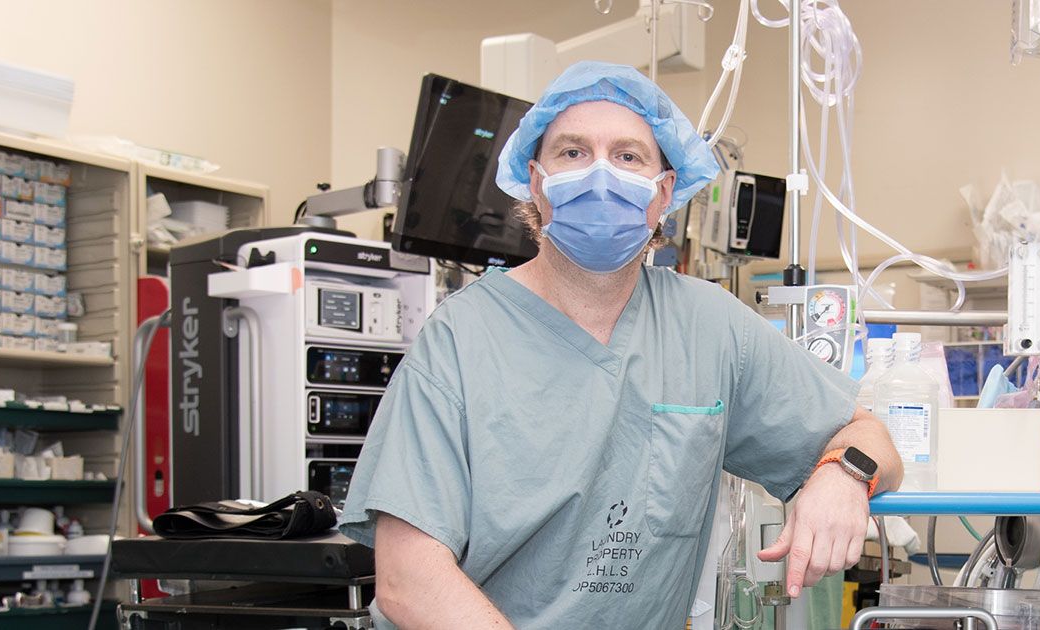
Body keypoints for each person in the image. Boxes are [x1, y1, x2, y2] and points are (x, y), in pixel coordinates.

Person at [338, 61, 903, 628]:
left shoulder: (708, 326)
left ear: (663, 194)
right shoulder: (460, 339)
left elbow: (868, 434)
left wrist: (844, 474)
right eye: (573, 153)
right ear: (536, 183)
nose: (600, 176)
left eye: (628, 156)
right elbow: (407, 579)